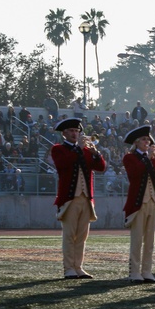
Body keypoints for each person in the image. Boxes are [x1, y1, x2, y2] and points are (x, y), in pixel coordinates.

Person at [50, 118, 106, 279]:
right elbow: (64, 164)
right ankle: (69, 268)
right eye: (72, 131)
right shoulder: (58, 149)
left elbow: (101, 167)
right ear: (64, 134)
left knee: (82, 236)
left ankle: (78, 267)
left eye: (77, 131)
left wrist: (96, 153)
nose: (75, 133)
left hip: (86, 198)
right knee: (69, 235)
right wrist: (79, 149)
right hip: (69, 198)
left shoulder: (87, 151)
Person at [122, 125, 155, 283]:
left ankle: (147, 271)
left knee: (150, 240)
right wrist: (148, 158)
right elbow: (135, 173)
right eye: (144, 139)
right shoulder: (130, 157)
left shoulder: (153, 158)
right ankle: (134, 272)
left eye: (148, 139)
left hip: (153, 203)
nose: (147, 142)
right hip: (138, 203)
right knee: (137, 240)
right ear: (136, 142)